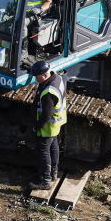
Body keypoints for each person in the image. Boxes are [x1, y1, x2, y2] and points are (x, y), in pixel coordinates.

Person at [28, 59, 67, 191]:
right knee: (54, 146)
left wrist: (36, 127)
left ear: (44, 75)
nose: (36, 80)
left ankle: (45, 181)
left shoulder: (49, 92)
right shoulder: (56, 77)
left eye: (37, 77)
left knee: (43, 150)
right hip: (56, 124)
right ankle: (53, 173)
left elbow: (46, 115)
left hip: (48, 126)